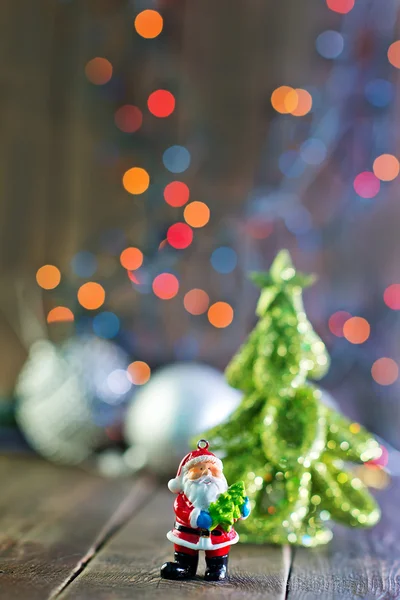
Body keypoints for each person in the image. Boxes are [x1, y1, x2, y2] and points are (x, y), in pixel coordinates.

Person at [160, 439, 251, 581]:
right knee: (185, 550)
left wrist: (242, 509)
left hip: (218, 535)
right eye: (200, 469)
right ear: (185, 477)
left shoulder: (225, 497)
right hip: (187, 535)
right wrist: (195, 517)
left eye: (212, 469)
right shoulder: (183, 499)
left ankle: (217, 568)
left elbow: (233, 513)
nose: (207, 473)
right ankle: (185, 566)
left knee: (218, 553)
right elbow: (181, 510)